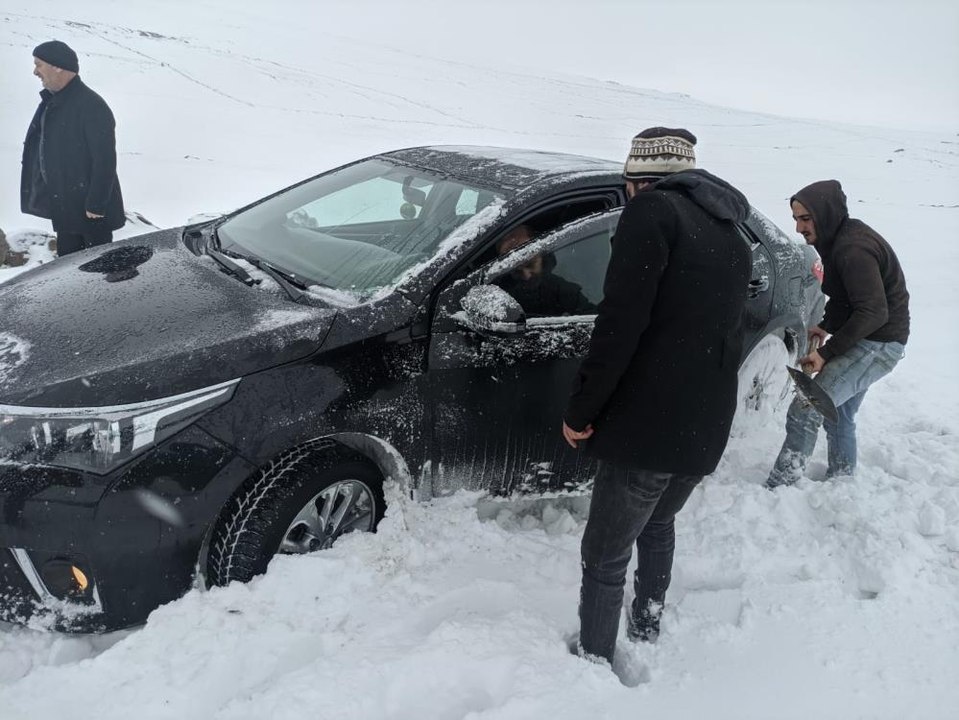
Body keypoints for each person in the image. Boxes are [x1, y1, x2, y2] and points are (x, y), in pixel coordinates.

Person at [562, 127, 751, 667]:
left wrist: (581, 410)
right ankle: (646, 622)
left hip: (647, 427)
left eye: (626, 185)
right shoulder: (731, 232)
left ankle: (594, 661)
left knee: (604, 553)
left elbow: (620, 324)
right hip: (705, 423)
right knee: (659, 521)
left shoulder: (651, 214)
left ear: (638, 181)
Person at [766, 181, 909, 488]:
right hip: (872, 338)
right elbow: (847, 297)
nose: (799, 227)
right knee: (840, 412)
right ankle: (841, 484)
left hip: (879, 344)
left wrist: (825, 354)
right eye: (795, 219)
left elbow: (873, 311)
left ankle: (780, 487)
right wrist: (828, 325)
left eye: (806, 219)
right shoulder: (837, 240)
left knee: (806, 408)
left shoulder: (853, 249)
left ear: (826, 214)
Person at [20, 40, 125, 257]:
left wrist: (96, 204)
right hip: (65, 208)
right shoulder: (54, 102)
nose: (35, 72)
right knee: (69, 276)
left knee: (99, 272)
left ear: (57, 66)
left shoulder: (91, 105)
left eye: (39, 64)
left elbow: (104, 160)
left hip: (90, 213)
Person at [494, 225, 596, 316]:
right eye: (516, 271)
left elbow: (595, 321)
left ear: (542, 256)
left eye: (531, 264)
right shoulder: (498, 296)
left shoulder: (562, 290)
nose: (527, 275)